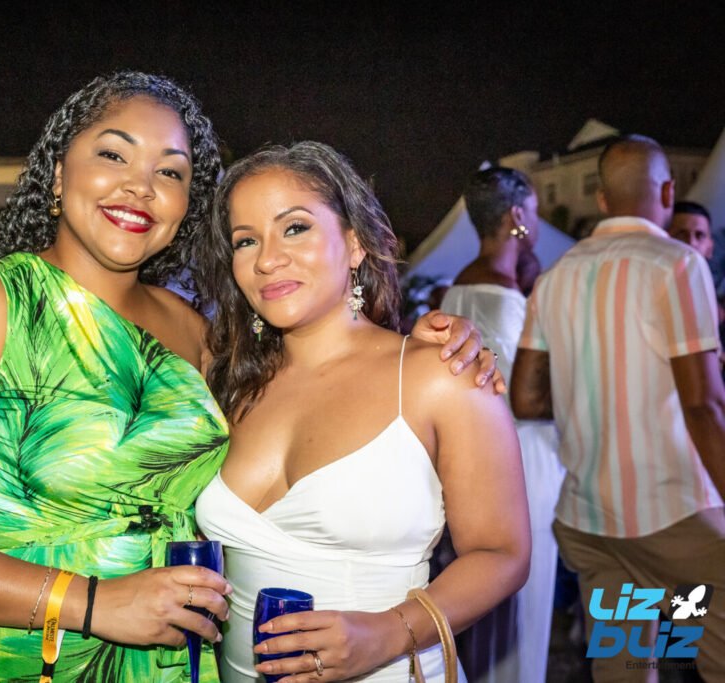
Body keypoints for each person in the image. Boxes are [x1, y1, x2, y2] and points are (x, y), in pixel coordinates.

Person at [0, 72, 498, 681]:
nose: (141, 186)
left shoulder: (194, 333)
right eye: (114, 155)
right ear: (58, 173)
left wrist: (428, 343)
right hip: (27, 657)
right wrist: (94, 602)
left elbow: (315, 377)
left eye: (170, 172)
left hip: (180, 664)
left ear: (186, 205)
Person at [194, 142, 530, 682]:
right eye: (246, 240)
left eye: (295, 228)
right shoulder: (223, 380)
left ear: (354, 245)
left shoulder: (439, 374)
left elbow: (502, 554)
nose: (267, 259)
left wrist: (387, 635)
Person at [512, 135, 725, 682]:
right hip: (675, 520)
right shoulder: (677, 265)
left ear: (602, 200)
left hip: (594, 525)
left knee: (625, 668)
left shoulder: (555, 277)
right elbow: (703, 404)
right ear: (669, 192)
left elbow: (527, 398)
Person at [440, 167, 564, 683]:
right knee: (525, 602)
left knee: (488, 597)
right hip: (524, 461)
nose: (537, 221)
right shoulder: (509, 301)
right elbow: (526, 396)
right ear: (516, 215)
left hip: (473, 464)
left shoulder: (455, 291)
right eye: (534, 211)